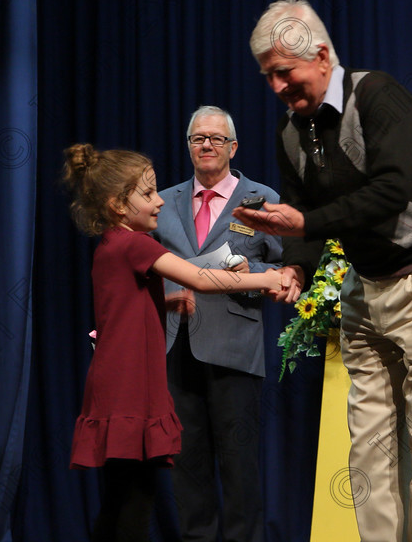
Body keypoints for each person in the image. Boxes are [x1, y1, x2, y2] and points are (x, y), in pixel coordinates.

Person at [234, 0, 412, 542]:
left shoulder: (378, 95)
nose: (276, 87)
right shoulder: (290, 133)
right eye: (267, 77)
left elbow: (391, 192)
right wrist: (297, 268)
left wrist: (302, 226)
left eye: (284, 72)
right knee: (367, 439)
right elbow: (306, 219)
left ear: (321, 56)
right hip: (365, 286)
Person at [62, 143, 283, 542]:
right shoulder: (136, 244)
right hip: (128, 389)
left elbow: (120, 307)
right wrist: (266, 279)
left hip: (116, 385)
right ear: (116, 205)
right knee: (134, 502)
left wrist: (163, 302)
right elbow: (199, 278)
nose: (159, 201)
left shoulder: (113, 245)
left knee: (120, 499)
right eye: (147, 194)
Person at [151, 106, 281, 542]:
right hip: (176, 344)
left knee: (240, 467)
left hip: (235, 348)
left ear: (233, 147)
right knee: (187, 465)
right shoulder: (161, 201)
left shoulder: (261, 200)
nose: (206, 145)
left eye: (215, 139)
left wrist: (251, 266)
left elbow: (285, 267)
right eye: (197, 139)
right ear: (189, 146)